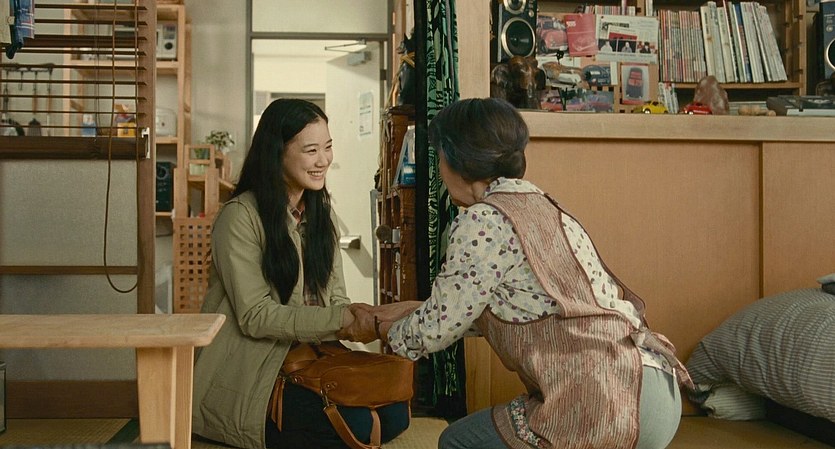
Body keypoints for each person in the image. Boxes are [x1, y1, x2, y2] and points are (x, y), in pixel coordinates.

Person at [364, 98, 694, 449]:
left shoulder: (482, 220)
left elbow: (436, 329)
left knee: (458, 442)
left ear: (457, 159)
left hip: (605, 398)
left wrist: (376, 328)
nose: (440, 169)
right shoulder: (545, 206)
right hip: (655, 389)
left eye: (439, 157)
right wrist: (408, 311)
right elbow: (512, 309)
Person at [191, 98, 411, 449]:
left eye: (328, 147)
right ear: (277, 152)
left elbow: (336, 300)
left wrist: (369, 319)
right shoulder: (239, 217)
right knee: (355, 423)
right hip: (258, 368)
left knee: (395, 411)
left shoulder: (322, 215)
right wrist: (342, 319)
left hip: (312, 358)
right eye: (311, 150)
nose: (324, 160)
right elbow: (255, 316)